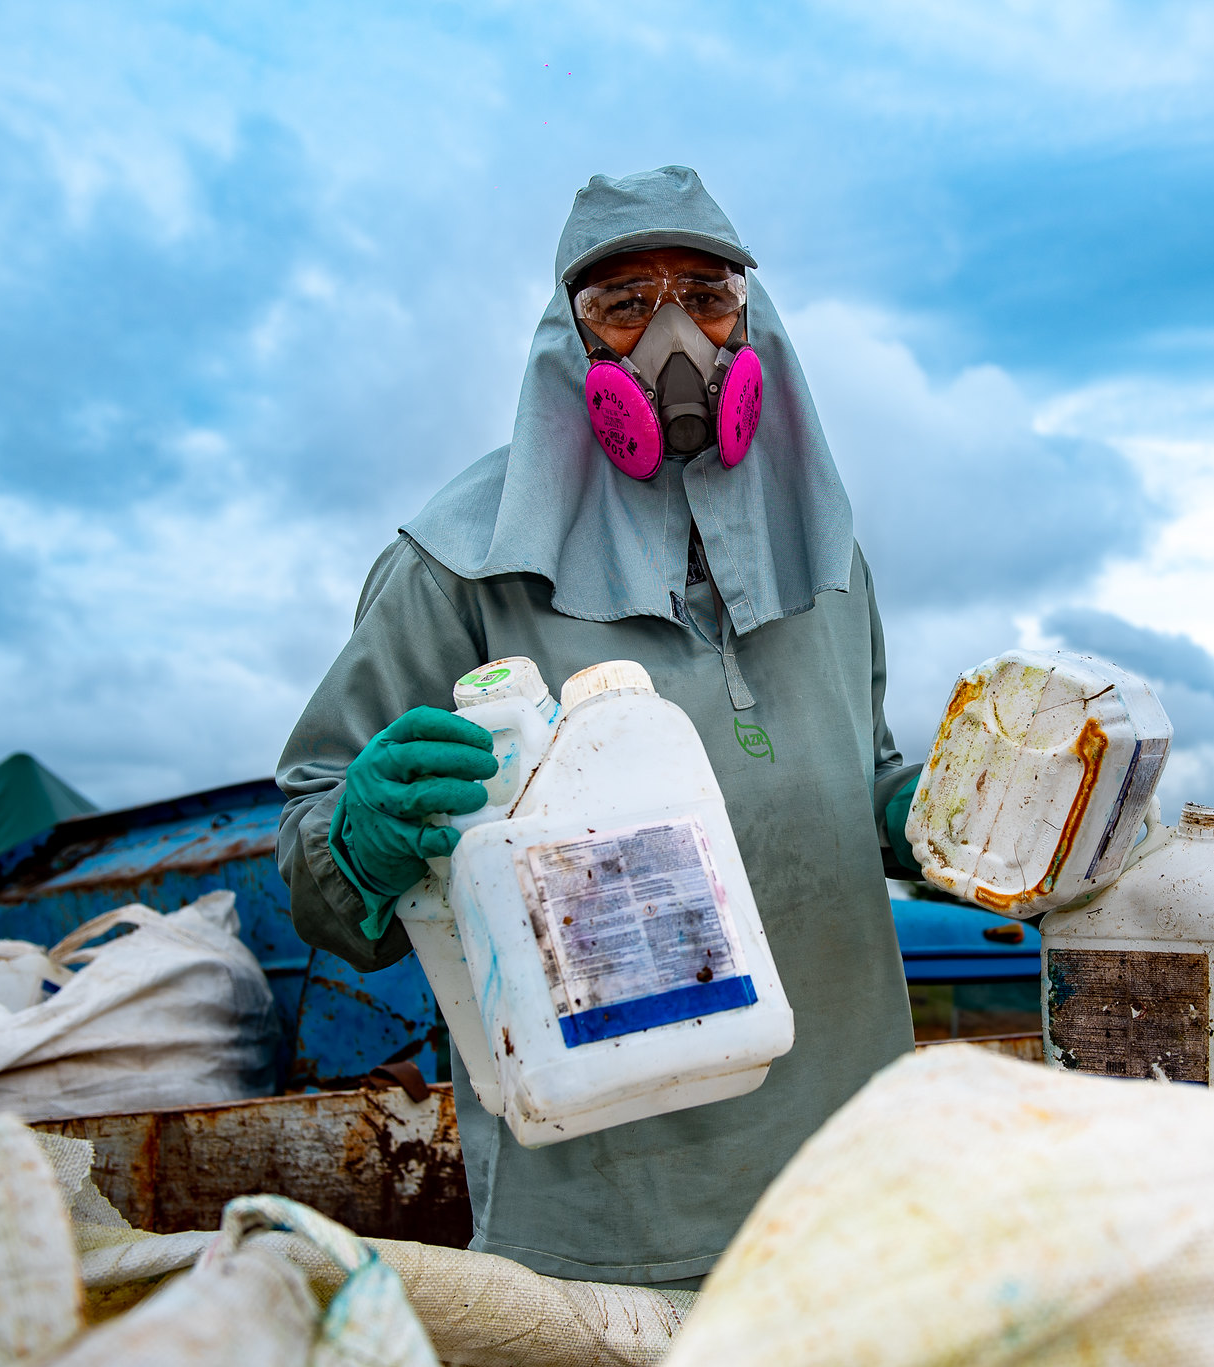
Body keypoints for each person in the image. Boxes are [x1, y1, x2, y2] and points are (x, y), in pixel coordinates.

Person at [276, 166, 923, 1289]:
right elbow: (311, 841)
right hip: (609, 1229)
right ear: (567, 344)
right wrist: (356, 841)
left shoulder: (824, 549)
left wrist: (923, 810)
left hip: (856, 1194)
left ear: (753, 319)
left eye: (706, 297)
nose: (675, 336)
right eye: (624, 305)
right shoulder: (459, 561)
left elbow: (855, 776)